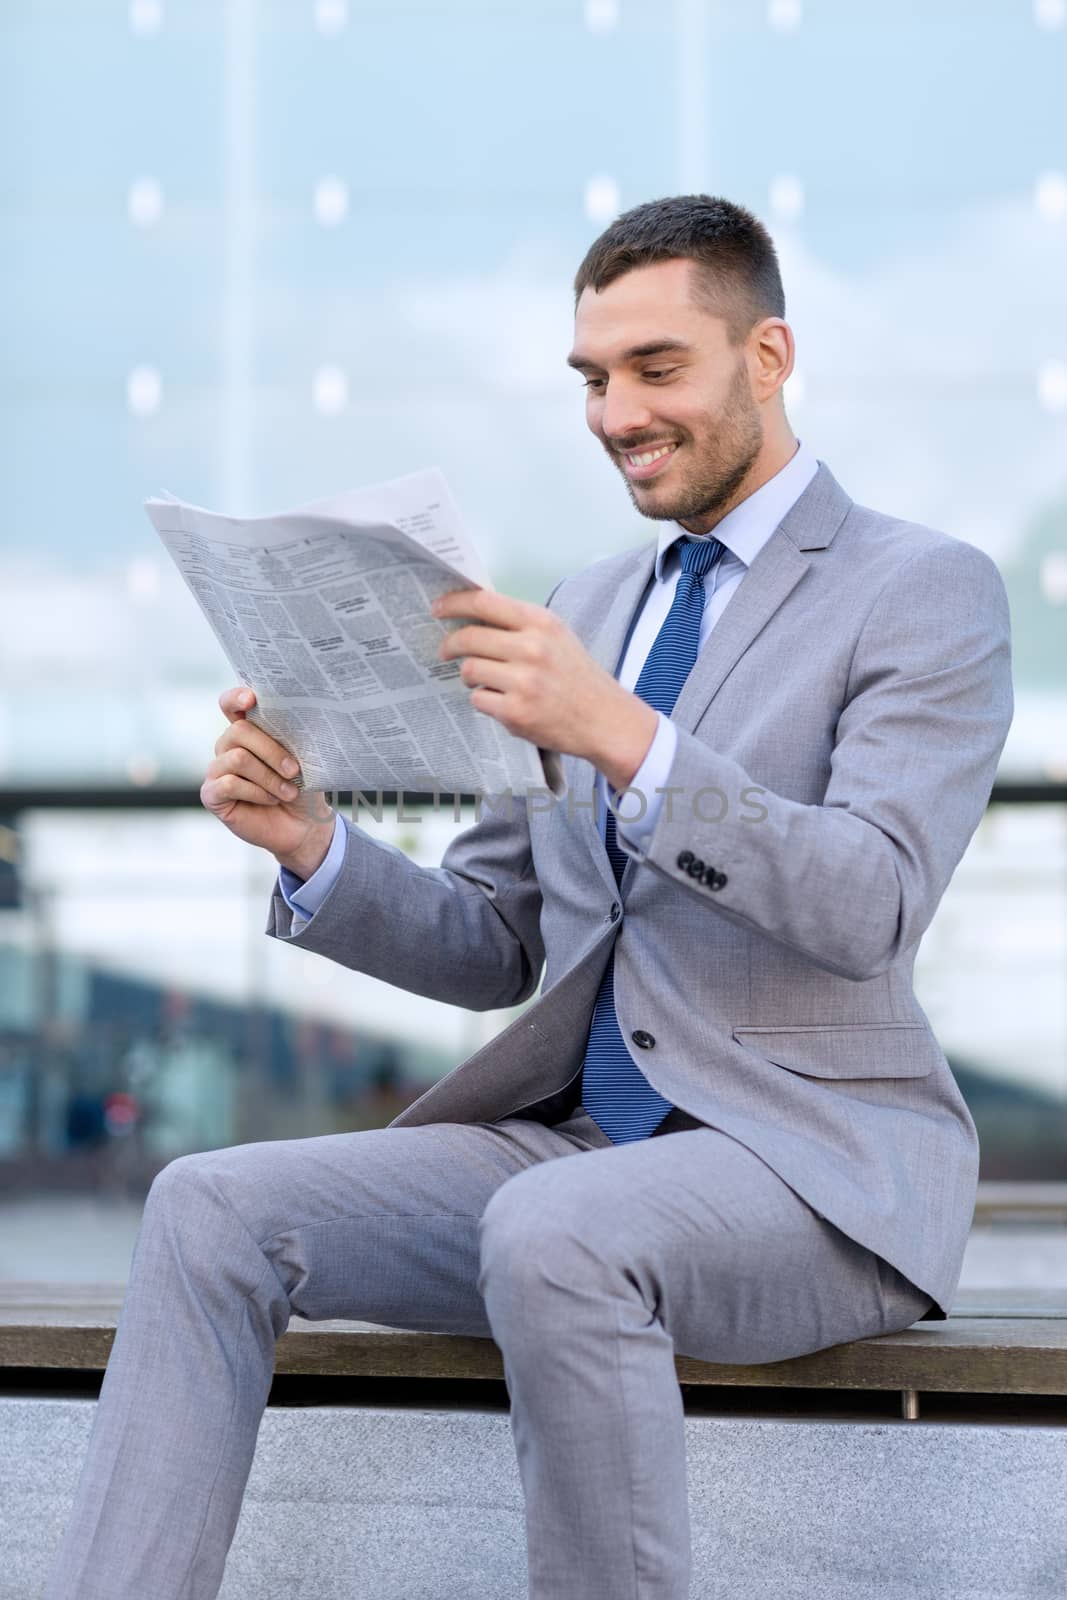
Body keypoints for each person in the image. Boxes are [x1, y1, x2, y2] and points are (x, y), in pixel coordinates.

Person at [43, 194, 1013, 1600]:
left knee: (557, 1232)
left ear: (768, 356)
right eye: (593, 379)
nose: (616, 412)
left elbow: (872, 899)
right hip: (572, 1158)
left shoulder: (922, 591)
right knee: (207, 1206)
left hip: (816, 1173)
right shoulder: (595, 600)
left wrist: (623, 735)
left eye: (656, 368)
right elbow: (500, 938)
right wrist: (312, 844)